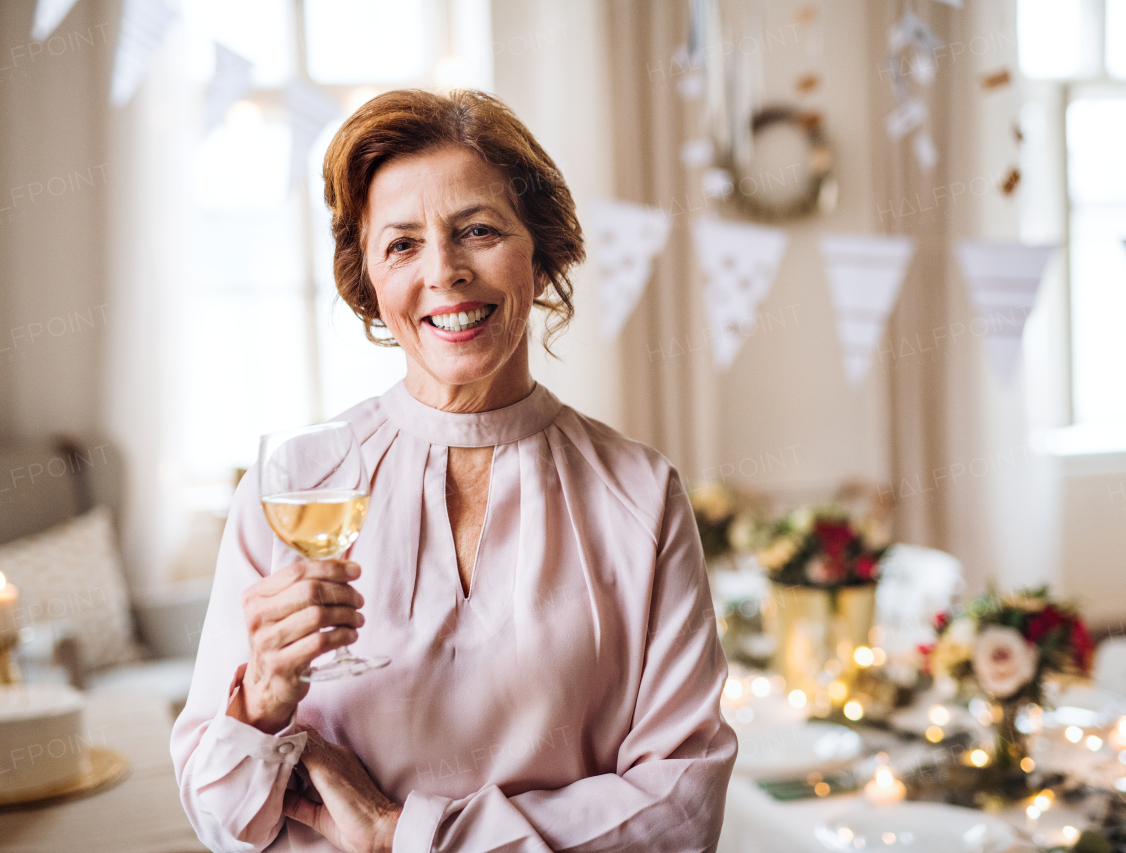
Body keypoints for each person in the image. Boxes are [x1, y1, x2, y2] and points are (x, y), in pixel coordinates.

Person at [170, 88, 737, 853]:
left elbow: (682, 805)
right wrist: (265, 702)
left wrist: (407, 836)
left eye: (477, 230)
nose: (445, 271)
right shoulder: (293, 484)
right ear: (368, 280)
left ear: (539, 254)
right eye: (402, 244)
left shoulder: (640, 493)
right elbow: (222, 824)